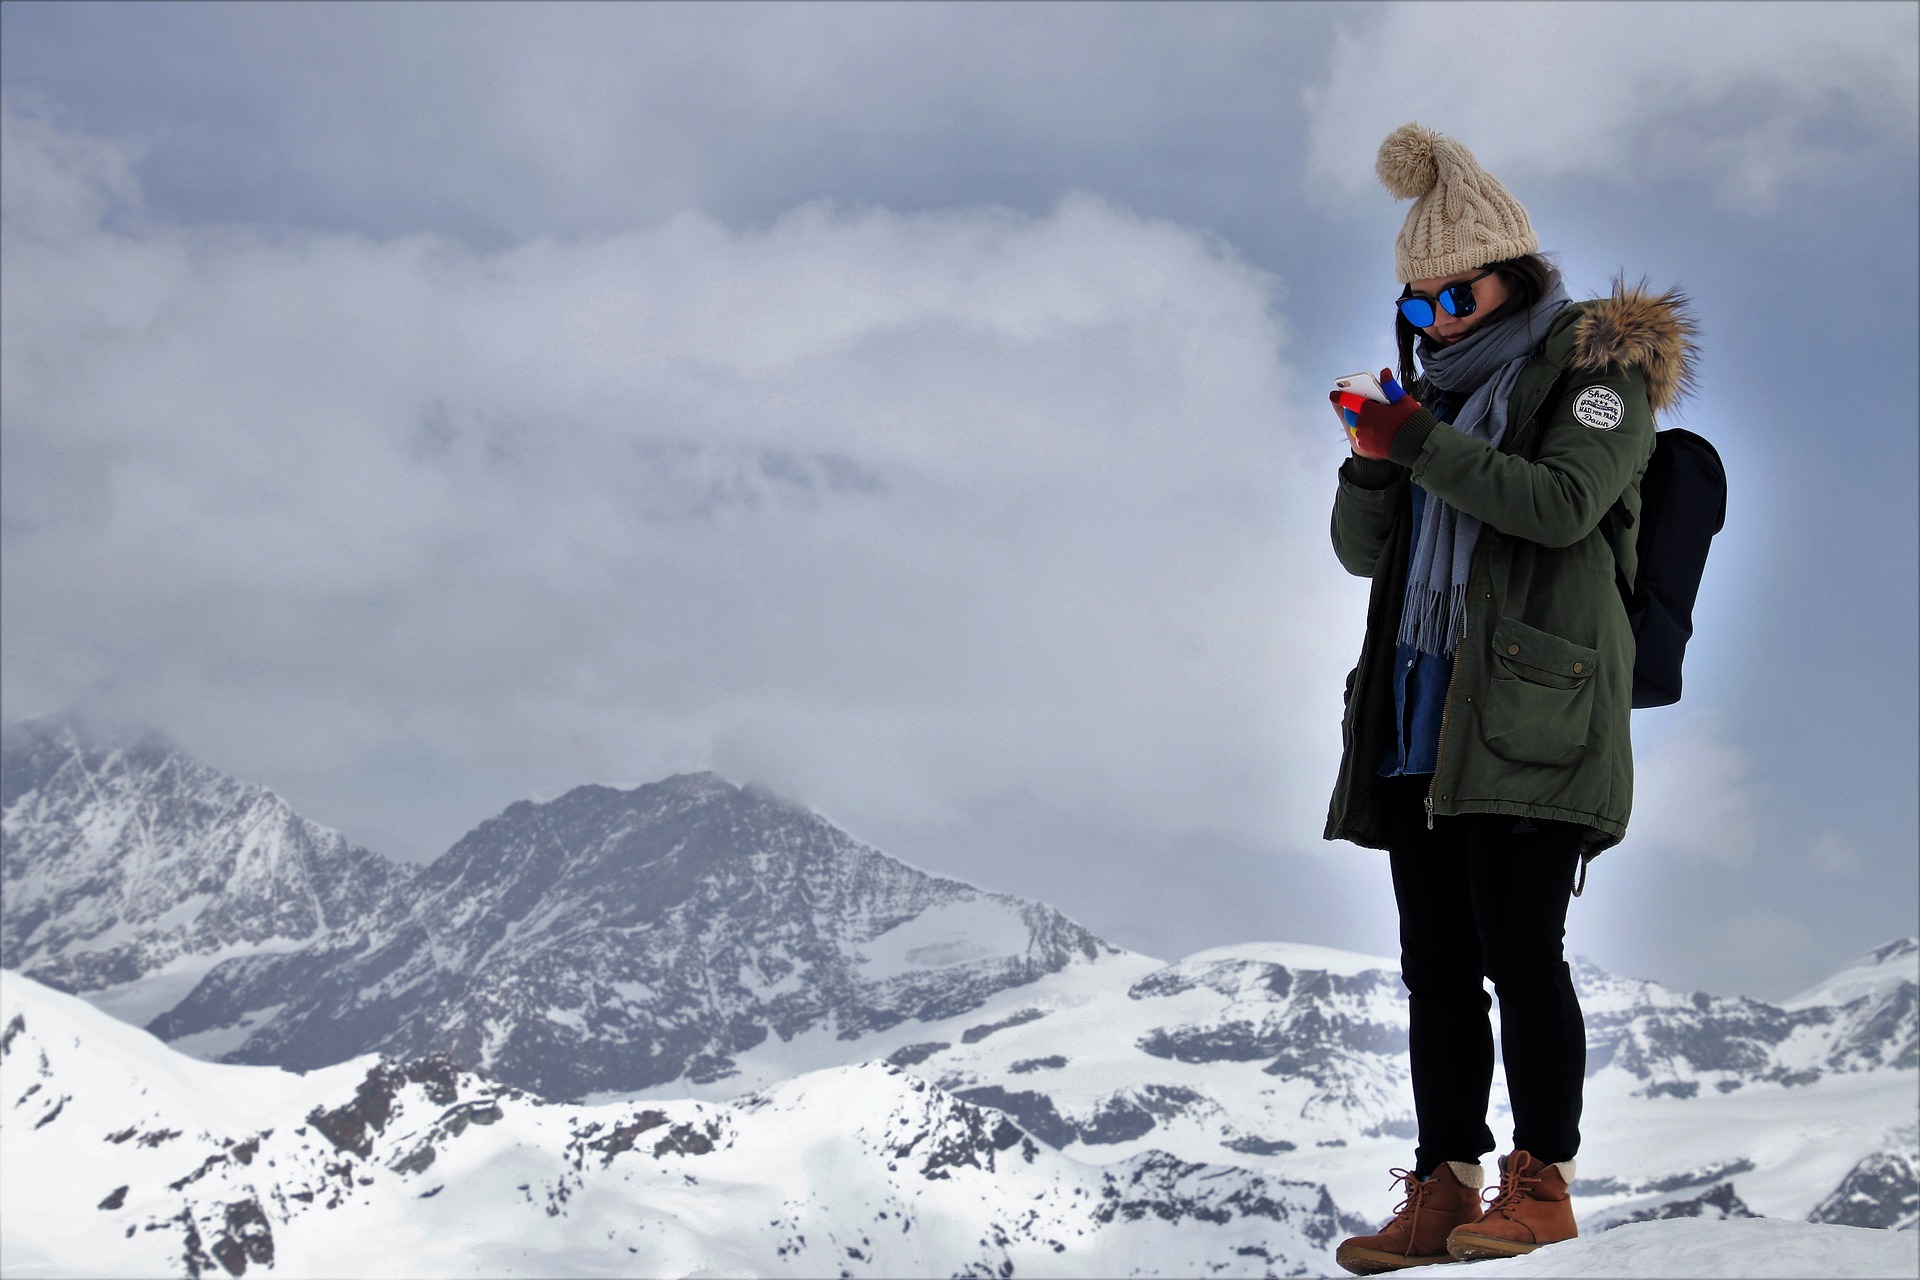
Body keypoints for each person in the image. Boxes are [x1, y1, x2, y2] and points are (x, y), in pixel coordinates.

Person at [1325, 123, 1697, 1275]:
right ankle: (1445, 1185)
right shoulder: (1434, 398)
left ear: (1517, 276)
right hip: (1421, 712)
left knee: (1520, 950)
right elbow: (1356, 552)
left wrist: (1419, 440)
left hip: (1535, 711)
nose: (1439, 319)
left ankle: (1543, 1182)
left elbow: (1554, 506)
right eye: (1421, 302)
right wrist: (1374, 459)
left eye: (1458, 292)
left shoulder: (1598, 374)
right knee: (1433, 961)